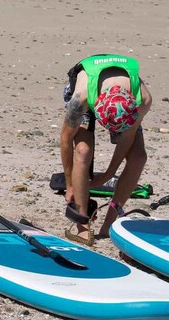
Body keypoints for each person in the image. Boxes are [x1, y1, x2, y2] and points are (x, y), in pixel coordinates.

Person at [59, 54, 152, 245]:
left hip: (123, 100)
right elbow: (66, 140)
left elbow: (127, 138)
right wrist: (69, 184)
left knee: (138, 157)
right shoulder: (81, 99)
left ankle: (109, 222)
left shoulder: (142, 99)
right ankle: (82, 224)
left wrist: (109, 174)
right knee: (83, 151)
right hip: (88, 86)